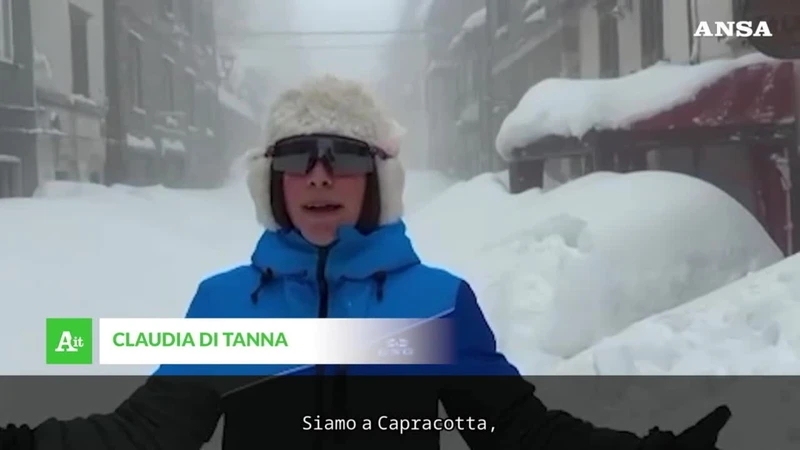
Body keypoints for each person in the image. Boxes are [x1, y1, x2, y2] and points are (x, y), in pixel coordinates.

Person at [0, 75, 731, 449]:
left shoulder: (436, 304)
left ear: (377, 181)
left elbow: (520, 436)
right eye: (298, 158)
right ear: (273, 183)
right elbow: (142, 437)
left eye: (345, 158)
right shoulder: (225, 306)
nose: (320, 177)